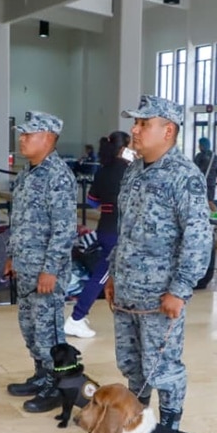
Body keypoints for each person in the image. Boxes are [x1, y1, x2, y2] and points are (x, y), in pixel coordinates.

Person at [104, 97, 211, 430]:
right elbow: (126, 230)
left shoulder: (185, 176)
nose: (134, 130)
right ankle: (139, 431)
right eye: (135, 123)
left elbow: (198, 238)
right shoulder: (134, 170)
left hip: (159, 299)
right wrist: (112, 274)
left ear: (168, 130)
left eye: (143, 124)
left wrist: (179, 290)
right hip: (127, 293)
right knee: (133, 368)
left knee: (163, 370)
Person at [3, 112, 77, 413]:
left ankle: (57, 387)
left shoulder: (58, 176)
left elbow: (64, 229)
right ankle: (40, 375)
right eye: (22, 134)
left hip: (46, 273)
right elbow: (18, 222)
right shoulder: (27, 174)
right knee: (30, 328)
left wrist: (50, 269)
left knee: (50, 332)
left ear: (48, 138)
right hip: (25, 268)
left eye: (28, 134)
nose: (22, 138)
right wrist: (10, 254)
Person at [67, 131, 133, 340]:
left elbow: (93, 201)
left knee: (121, 276)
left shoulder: (103, 171)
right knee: (101, 277)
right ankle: (76, 318)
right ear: (125, 148)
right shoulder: (130, 171)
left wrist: (109, 202)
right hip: (119, 233)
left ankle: (130, 319)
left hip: (104, 229)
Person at [193, 136, 217, 206]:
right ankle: (214, 214)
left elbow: (194, 169)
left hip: (202, 182)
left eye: (200, 145)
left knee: (201, 201)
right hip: (212, 183)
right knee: (210, 201)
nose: (199, 146)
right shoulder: (215, 156)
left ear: (202, 146)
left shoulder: (199, 156)